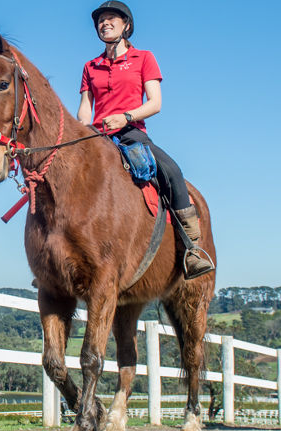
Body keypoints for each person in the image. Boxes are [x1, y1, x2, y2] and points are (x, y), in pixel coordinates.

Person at [77, 1, 214, 279]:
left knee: (172, 171)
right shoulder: (91, 66)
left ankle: (192, 249)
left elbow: (155, 103)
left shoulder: (144, 58)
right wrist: (80, 131)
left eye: (111, 18)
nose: (105, 23)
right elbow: (85, 107)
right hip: (97, 136)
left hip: (130, 132)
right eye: (101, 20)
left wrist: (125, 117)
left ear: (126, 25)